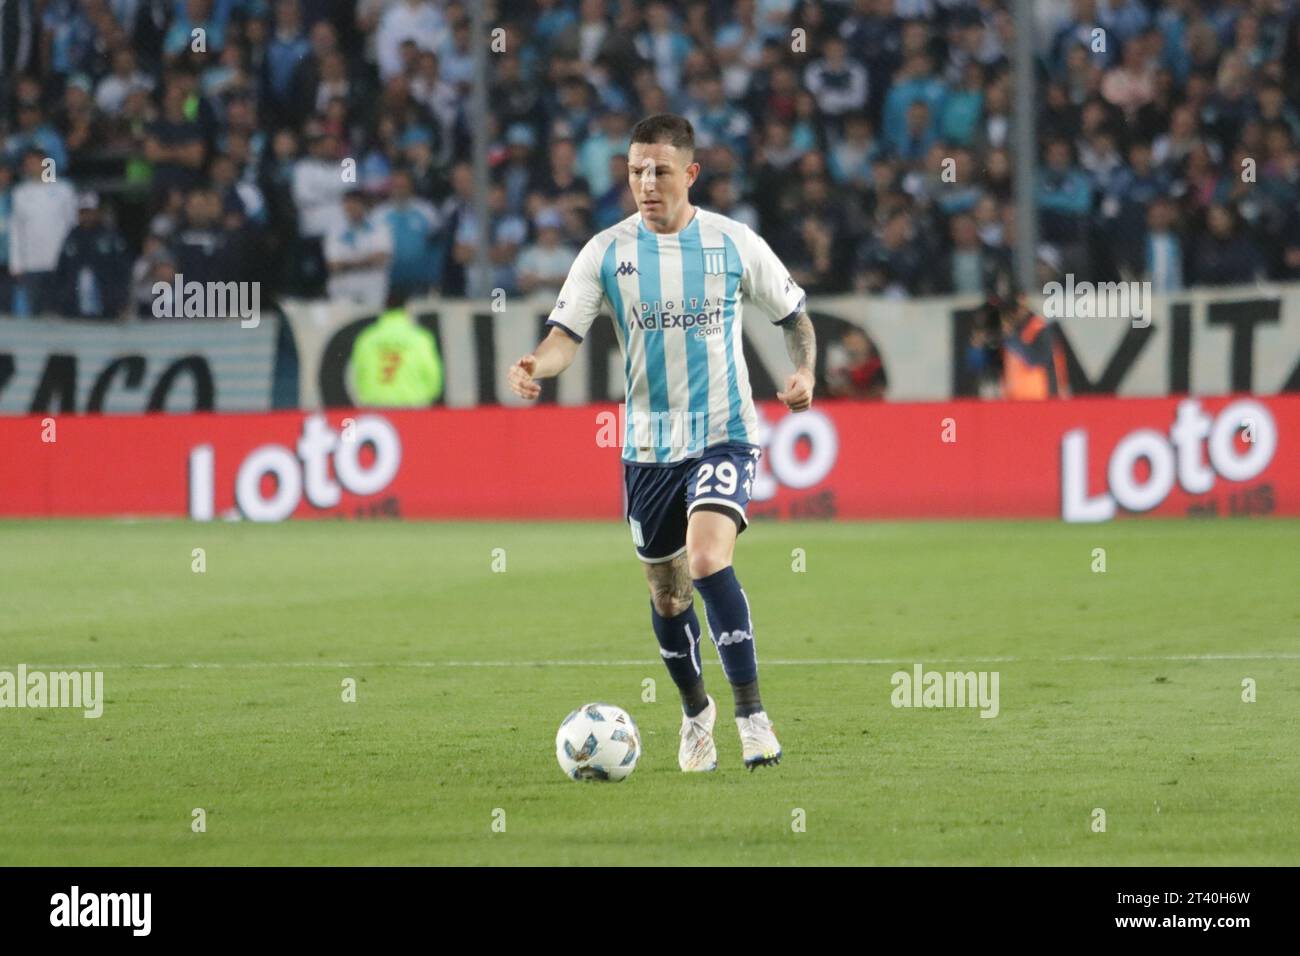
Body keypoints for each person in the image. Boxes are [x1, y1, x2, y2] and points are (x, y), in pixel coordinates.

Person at [506, 114, 815, 773]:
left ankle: (752, 715)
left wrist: (806, 371)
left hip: (724, 434)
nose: (646, 183)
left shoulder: (734, 244)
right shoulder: (605, 253)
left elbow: (795, 317)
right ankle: (696, 710)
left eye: (660, 171)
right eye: (635, 171)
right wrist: (536, 364)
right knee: (668, 595)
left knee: (706, 562)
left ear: (690, 174)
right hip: (647, 448)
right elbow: (566, 336)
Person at [350, 294, 443, 407]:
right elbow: (432, 373)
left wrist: (367, 396)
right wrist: (426, 397)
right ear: (406, 309)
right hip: (413, 407)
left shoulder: (367, 337)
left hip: (376, 406)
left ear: (383, 309)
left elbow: (358, 373)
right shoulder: (420, 338)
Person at [993, 288, 1071, 400]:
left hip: (1041, 398)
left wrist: (1011, 337)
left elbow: (1036, 359)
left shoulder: (1039, 327)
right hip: (1015, 401)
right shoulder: (1010, 336)